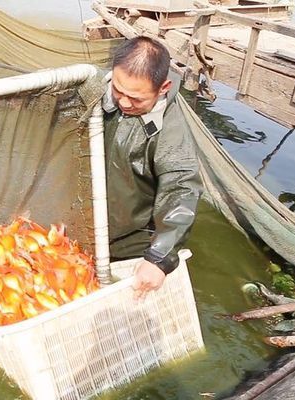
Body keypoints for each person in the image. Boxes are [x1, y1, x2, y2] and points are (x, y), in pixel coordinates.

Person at [103, 36, 202, 299]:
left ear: (163, 87)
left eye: (135, 98)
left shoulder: (170, 131)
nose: (124, 103)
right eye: (118, 91)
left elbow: (182, 189)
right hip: (88, 221)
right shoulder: (103, 90)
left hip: (130, 238)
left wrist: (158, 258)